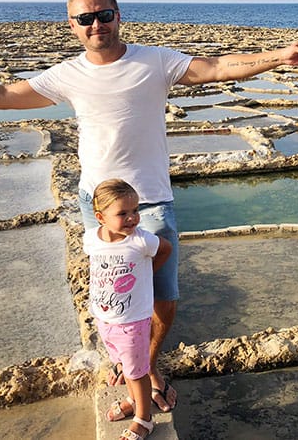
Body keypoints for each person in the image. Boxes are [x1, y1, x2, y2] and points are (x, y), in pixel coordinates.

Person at [0, 0, 298, 411]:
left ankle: (146, 364)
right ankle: (134, 367)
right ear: (72, 26)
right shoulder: (68, 75)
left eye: (104, 14)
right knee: (117, 295)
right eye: (85, 18)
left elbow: (216, 66)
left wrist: (279, 58)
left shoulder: (154, 61)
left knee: (164, 299)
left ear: (119, 16)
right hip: (95, 202)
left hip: (151, 199)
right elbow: (3, 95)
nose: (95, 23)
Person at [87, 178, 171, 440]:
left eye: (135, 211)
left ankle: (144, 419)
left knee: (137, 371)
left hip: (133, 320)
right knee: (125, 366)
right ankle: (136, 401)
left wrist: (145, 274)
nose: (133, 218)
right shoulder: (91, 238)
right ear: (100, 217)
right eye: (122, 213)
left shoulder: (141, 241)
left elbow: (166, 249)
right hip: (106, 318)